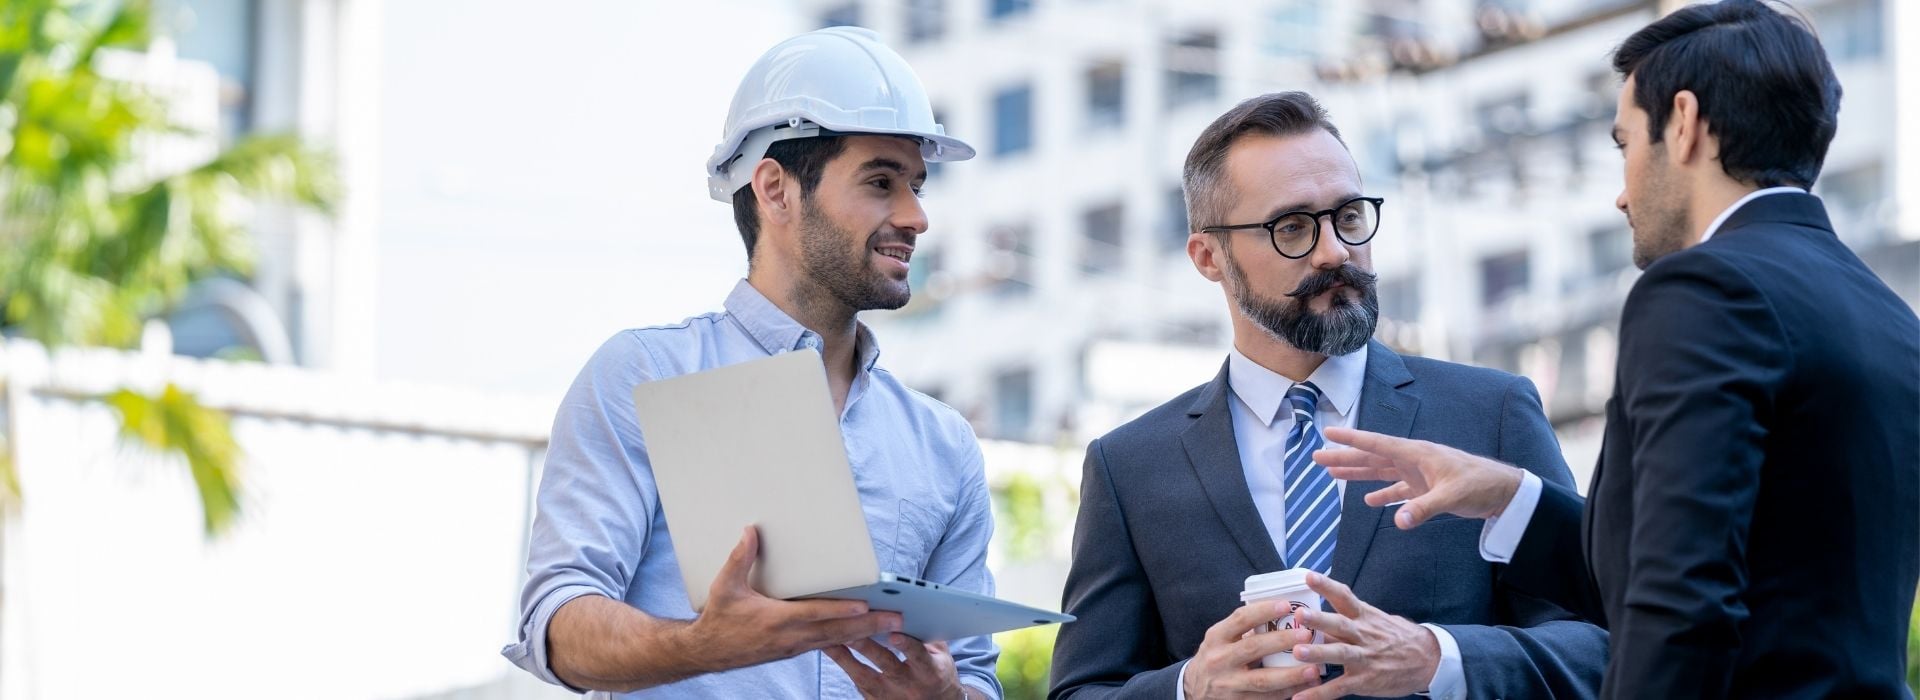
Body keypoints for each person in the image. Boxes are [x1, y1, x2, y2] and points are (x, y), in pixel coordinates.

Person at [1315, 2, 1920, 697]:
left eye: (1625, 144)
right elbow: (1748, 570)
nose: (1620, 194)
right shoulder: (1885, 311)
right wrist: (1508, 497)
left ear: (1685, 124)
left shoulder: (1704, 287)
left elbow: (1680, 603)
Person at [1048, 91, 1606, 700]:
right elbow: (1082, 690)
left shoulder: (1488, 412)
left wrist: (1438, 658)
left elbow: (1598, 648)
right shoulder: (1129, 468)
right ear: (1209, 257)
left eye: (1348, 216)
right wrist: (1189, 688)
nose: (1335, 251)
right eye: (1292, 227)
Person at [500, 27, 1005, 699]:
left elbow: (974, 680)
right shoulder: (643, 375)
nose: (917, 216)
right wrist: (701, 646)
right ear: (775, 189)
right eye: (882, 182)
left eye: (916, 184)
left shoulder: (943, 447)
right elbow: (556, 626)